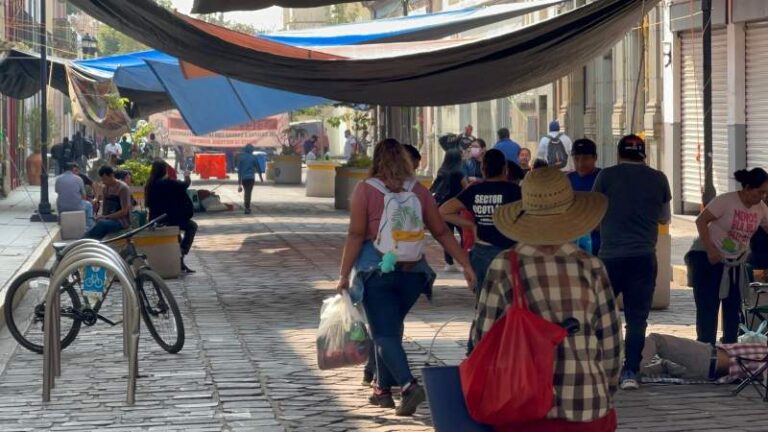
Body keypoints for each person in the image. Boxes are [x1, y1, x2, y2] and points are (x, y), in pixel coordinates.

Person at [471, 167, 619, 431]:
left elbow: (482, 338)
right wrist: (605, 386)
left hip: (521, 405)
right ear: (572, 214)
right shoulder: (591, 266)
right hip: (585, 404)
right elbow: (610, 340)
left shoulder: (504, 265)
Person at [337, 138, 475, 416]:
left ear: (376, 161)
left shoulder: (365, 189)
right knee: (390, 328)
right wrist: (466, 265)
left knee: (383, 333)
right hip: (414, 274)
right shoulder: (418, 190)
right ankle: (382, 390)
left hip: (377, 272)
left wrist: (343, 274)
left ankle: (409, 386)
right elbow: (441, 231)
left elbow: (355, 234)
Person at [592, 134, 671, 390]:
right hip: (643, 257)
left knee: (600, 314)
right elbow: (664, 218)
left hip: (610, 257)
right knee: (637, 318)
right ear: (643, 154)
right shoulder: (659, 178)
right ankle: (630, 371)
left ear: (619, 154)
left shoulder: (605, 177)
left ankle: (599, 366)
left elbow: (594, 213)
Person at [686, 168, 768, 345]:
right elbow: (701, 220)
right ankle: (706, 349)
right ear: (747, 187)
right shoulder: (726, 201)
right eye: (759, 192)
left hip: (734, 262)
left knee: (733, 308)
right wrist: (710, 249)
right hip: (707, 258)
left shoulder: (761, 208)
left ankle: (730, 348)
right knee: (708, 308)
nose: (762, 196)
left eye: (765, 193)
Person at [440, 149, 520, 293]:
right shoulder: (514, 190)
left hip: (481, 250)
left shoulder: (475, 190)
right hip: (509, 250)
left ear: (483, 168)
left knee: (483, 297)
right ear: (505, 169)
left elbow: (443, 211)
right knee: (509, 296)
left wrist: (471, 225)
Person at [639, 333, 768, 383]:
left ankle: (633, 369)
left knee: (657, 339)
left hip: (709, 358)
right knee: (665, 365)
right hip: (709, 372)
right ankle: (638, 371)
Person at [145, 160, 198, 273]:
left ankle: (180, 262)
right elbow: (185, 185)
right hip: (170, 218)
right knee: (192, 226)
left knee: (177, 236)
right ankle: (182, 251)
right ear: (164, 171)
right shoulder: (168, 183)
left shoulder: (150, 184)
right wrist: (187, 176)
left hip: (155, 219)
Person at [430, 149, 466, 272]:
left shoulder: (442, 171)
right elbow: (466, 187)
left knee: (447, 234)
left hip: (443, 207)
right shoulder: (459, 173)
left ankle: (449, 263)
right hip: (457, 207)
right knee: (463, 234)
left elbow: (434, 187)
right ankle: (463, 261)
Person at [567, 138, 602, 255]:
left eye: (585, 159)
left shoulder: (603, 178)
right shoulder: (567, 180)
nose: (580, 164)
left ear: (595, 158)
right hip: (572, 245)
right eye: (576, 159)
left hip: (600, 245)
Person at [84, 165, 131, 240]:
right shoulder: (105, 188)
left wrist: (106, 217)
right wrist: (100, 216)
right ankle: (86, 241)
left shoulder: (123, 188)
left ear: (112, 175)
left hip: (121, 221)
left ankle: (86, 241)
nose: (103, 182)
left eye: (105, 179)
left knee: (102, 224)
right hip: (108, 219)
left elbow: (124, 211)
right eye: (102, 179)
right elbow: (105, 208)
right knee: (93, 226)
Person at [55, 162, 94, 230]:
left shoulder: (58, 179)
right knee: (89, 205)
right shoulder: (78, 179)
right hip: (77, 207)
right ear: (72, 169)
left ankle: (60, 222)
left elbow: (57, 191)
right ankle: (89, 227)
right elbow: (84, 195)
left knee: (59, 200)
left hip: (62, 208)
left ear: (63, 169)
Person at [237, 144, 260, 214]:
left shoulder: (241, 158)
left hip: (244, 178)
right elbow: (258, 167)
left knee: (246, 192)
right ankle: (247, 207)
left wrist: (239, 183)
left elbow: (239, 171)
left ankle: (247, 207)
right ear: (251, 150)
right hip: (251, 178)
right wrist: (261, 177)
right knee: (248, 192)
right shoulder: (253, 157)